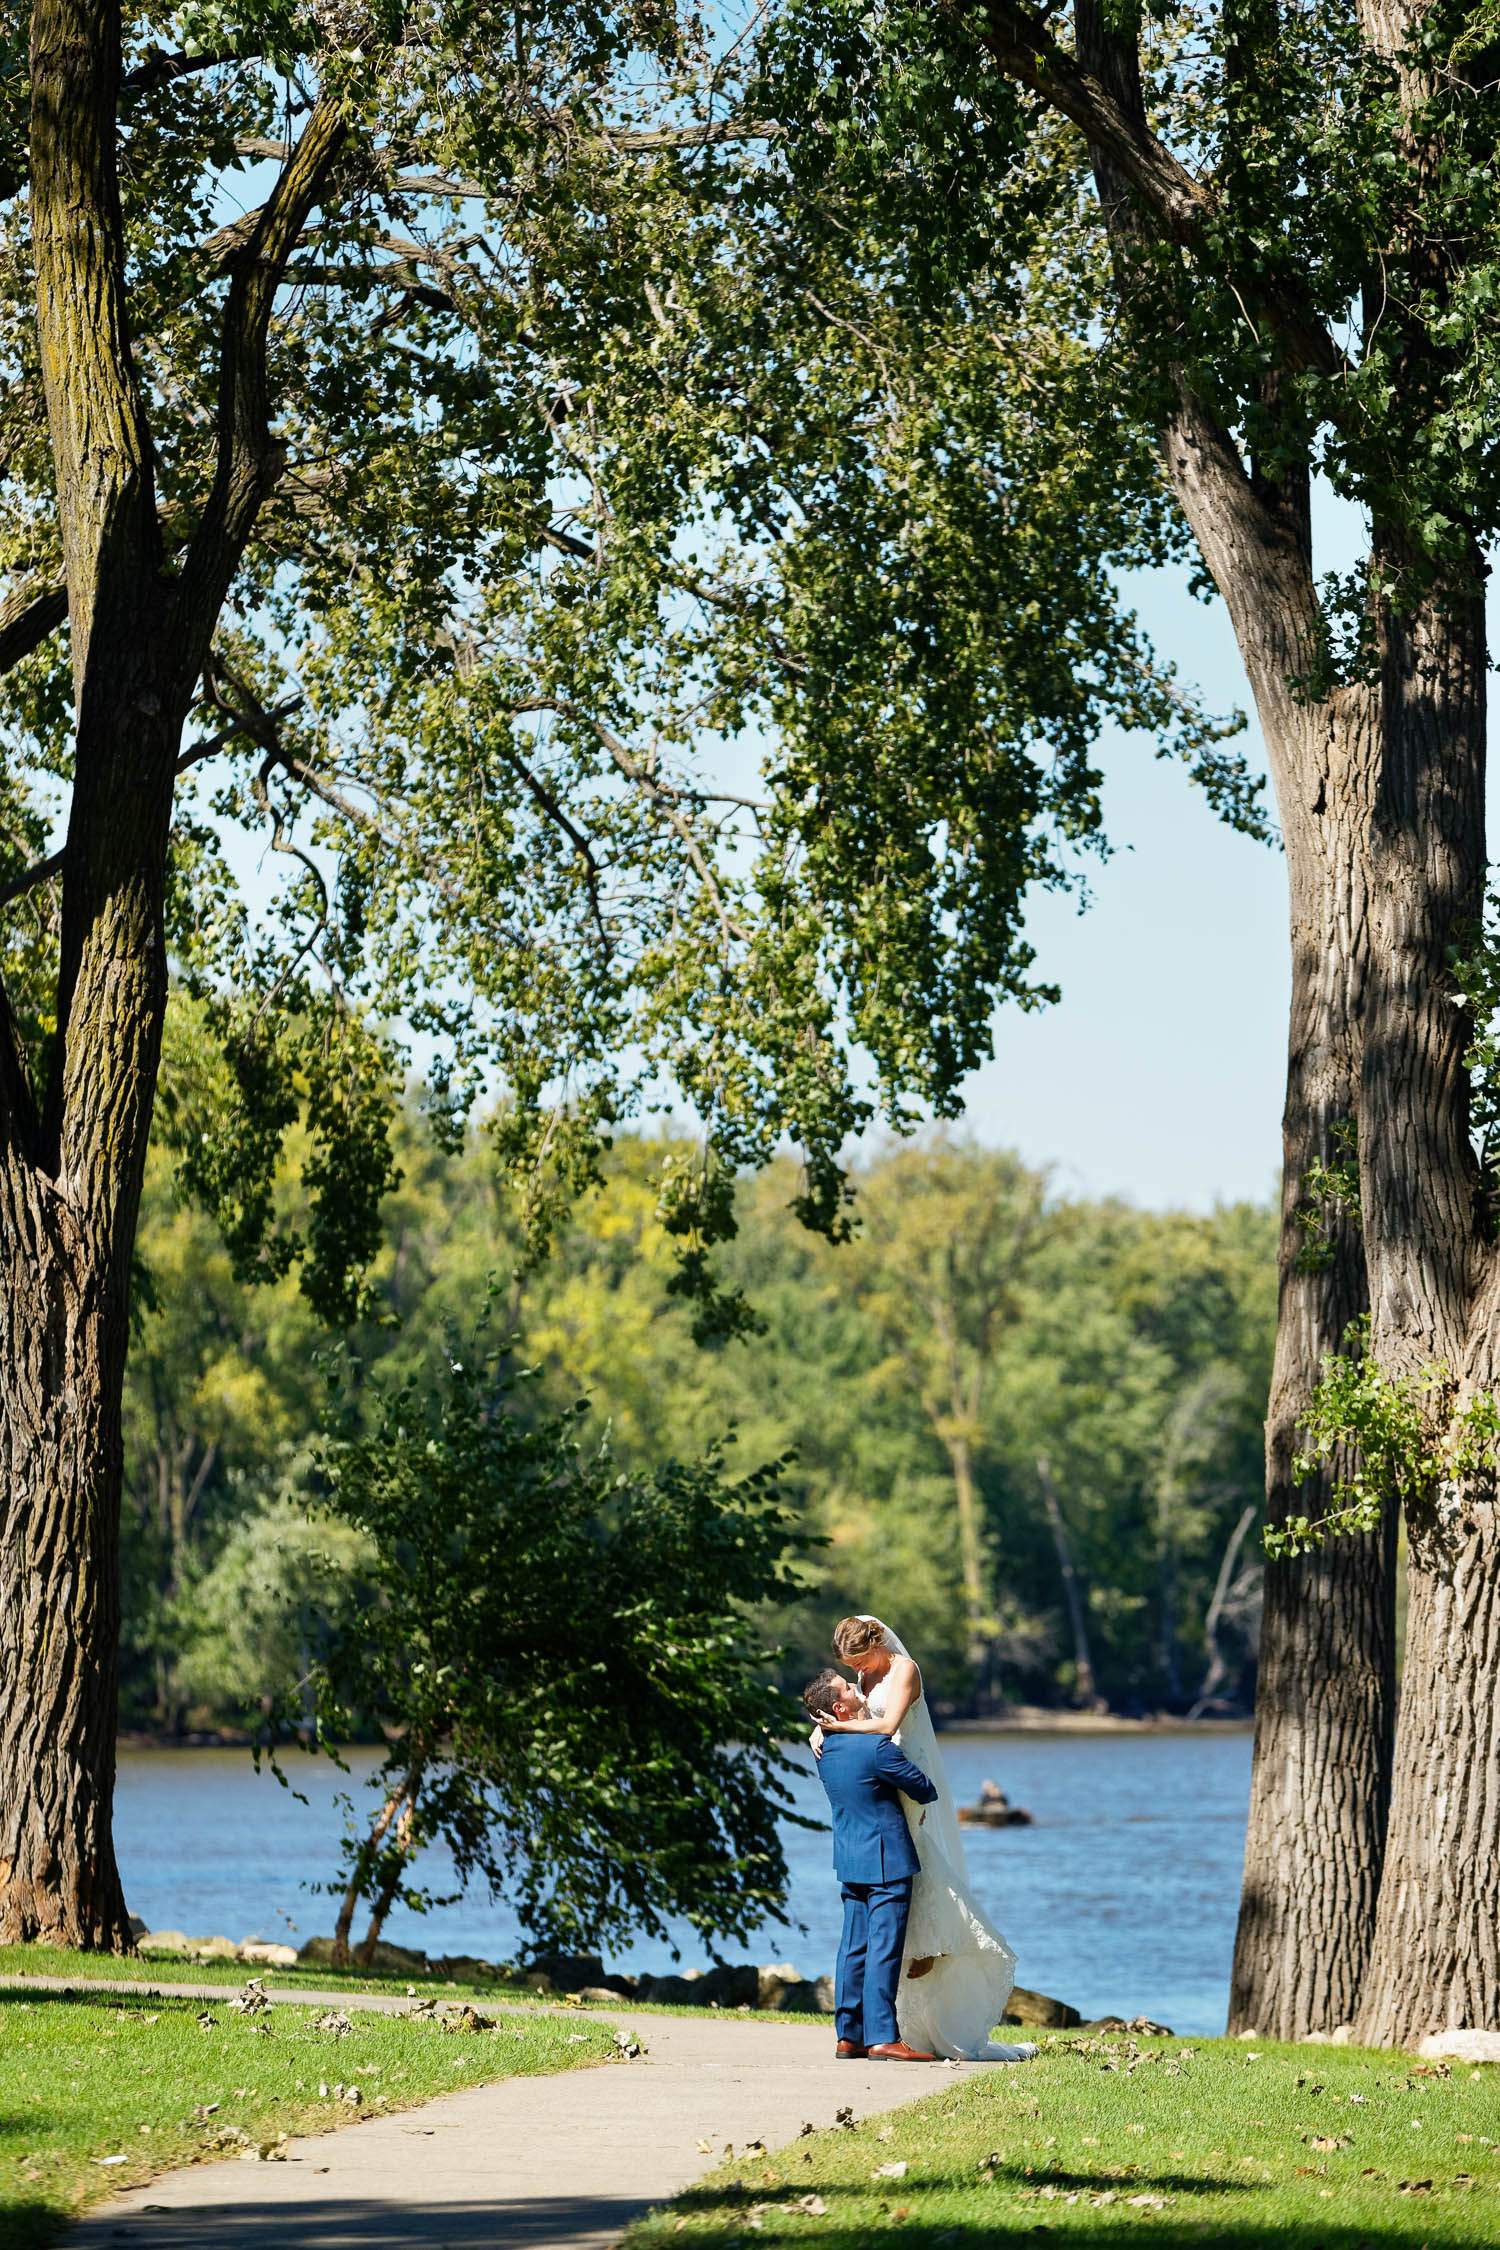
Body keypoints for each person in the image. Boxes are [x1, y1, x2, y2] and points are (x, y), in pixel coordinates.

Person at [814, 1614, 1037, 2063]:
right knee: (885, 1935)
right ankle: (882, 2032)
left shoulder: (905, 1670)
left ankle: (854, 2031)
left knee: (863, 1936)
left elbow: (885, 1724)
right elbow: (871, 1732)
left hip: (884, 1784)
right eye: (850, 1667)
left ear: (876, 1642)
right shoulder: (865, 1678)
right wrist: (822, 1726)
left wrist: (831, 1728)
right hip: (885, 1783)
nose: (858, 1675)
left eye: (859, 1660)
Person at [803, 1667, 941, 2060]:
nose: (855, 1686)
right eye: (847, 1688)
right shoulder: (876, 1748)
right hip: (887, 1859)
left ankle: (848, 2035)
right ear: (840, 1709)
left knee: (853, 1947)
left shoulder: (823, 1749)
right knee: (884, 1948)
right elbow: (924, 1789)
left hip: (849, 1857)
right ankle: (882, 2036)